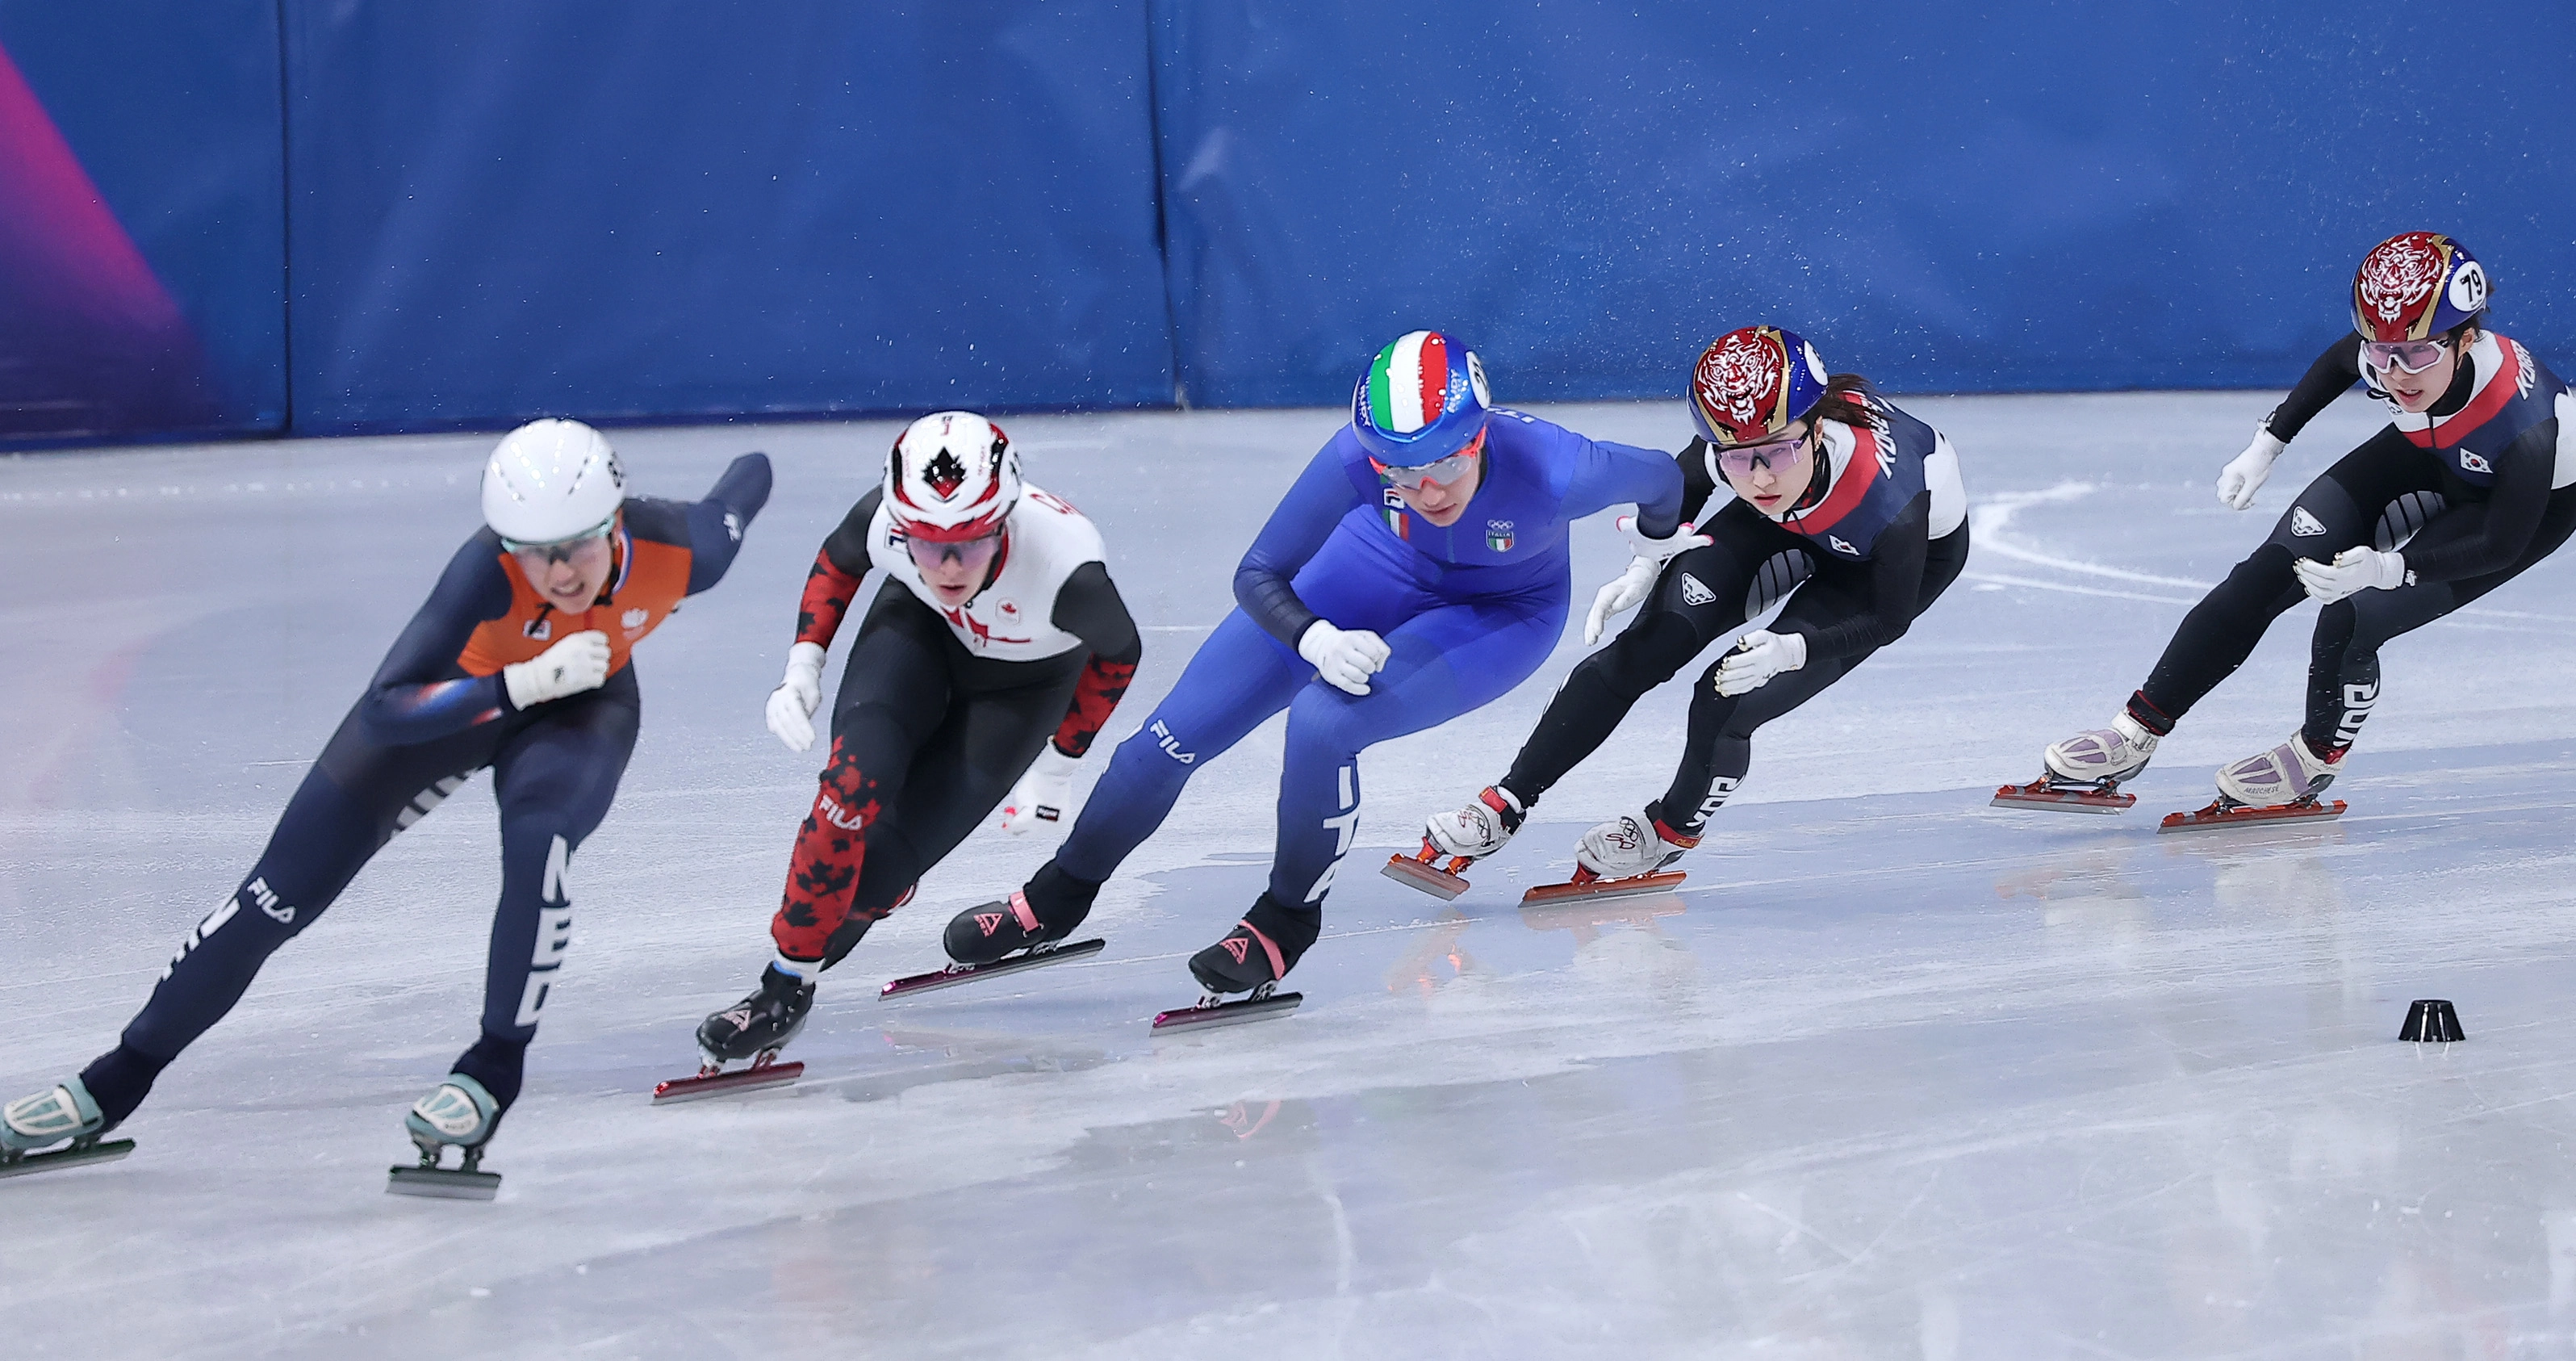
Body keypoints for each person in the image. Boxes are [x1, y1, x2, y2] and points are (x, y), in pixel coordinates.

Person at [0, 421, 771, 1171]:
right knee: (275, 896)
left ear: (613, 522)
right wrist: (519, 682)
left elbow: (751, 476)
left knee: (539, 844)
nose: (558, 575)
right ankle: (117, 1079)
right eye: (532, 556)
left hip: (583, 710)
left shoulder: (684, 548)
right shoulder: (482, 572)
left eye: (574, 547)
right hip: (462, 701)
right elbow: (385, 706)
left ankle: (491, 1070)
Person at [940, 330, 1686, 998]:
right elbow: (1259, 573)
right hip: (1372, 569)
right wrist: (1312, 636)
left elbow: (1663, 478)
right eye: (1397, 472)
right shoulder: (1357, 462)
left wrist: (1652, 553)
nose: (1420, 491)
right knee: (1163, 743)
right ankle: (1058, 897)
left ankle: (1282, 923)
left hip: (1503, 614)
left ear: (1476, 442)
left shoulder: (1558, 470)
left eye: (1436, 470)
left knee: (1324, 723)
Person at [2034, 232, 2576, 809]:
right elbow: (2335, 365)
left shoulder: (2524, 422)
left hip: (2522, 510)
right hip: (2428, 454)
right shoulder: (2394, 348)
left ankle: (2315, 758)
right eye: (2382, 353)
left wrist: (2389, 569)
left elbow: (2503, 543)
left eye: (2419, 353)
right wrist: (2266, 445)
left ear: (2467, 337)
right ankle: (2136, 731)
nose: (2398, 373)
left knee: (2351, 617)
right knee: (2265, 575)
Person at [1420, 326, 1969, 882]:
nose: (1757, 477)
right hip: (1788, 524)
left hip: (1881, 566)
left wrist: (1793, 649)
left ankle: (1669, 830)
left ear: (1818, 427)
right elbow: (1682, 489)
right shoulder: (1746, 437)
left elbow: (1888, 618)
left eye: (1776, 453)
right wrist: (1648, 560)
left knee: (1725, 696)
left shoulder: (1891, 493)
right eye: (1735, 459)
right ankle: (1507, 802)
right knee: (1644, 647)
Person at [692, 412, 1140, 1067]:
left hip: (1022, 687)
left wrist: (1059, 765)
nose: (950, 565)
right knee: (850, 787)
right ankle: (782, 991)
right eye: (926, 544)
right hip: (917, 633)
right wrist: (801, 668)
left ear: (1006, 521)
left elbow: (1119, 655)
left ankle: (883, 887)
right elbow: (838, 561)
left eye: (971, 542)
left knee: (869, 883)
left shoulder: (1068, 570)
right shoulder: (885, 521)